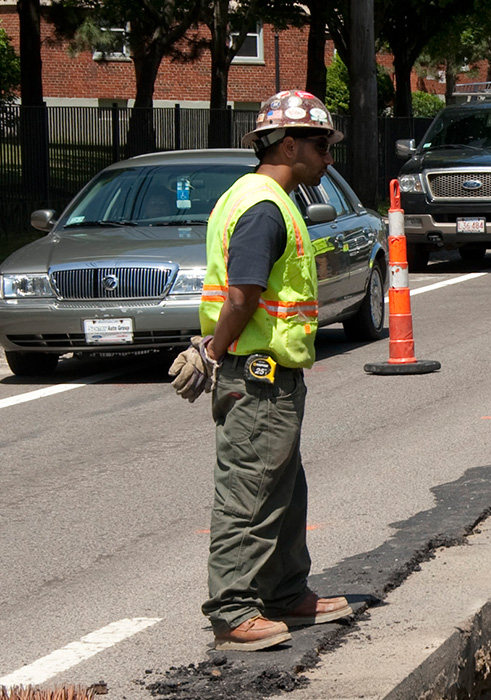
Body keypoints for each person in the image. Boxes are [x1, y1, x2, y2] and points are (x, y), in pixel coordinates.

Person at [167, 89, 353, 652]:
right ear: (290, 145)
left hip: (271, 376)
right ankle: (234, 610)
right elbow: (244, 294)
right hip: (256, 376)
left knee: (283, 487)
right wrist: (212, 352)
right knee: (249, 492)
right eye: (322, 145)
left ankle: (283, 592)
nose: (329, 157)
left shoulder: (264, 198)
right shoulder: (264, 206)